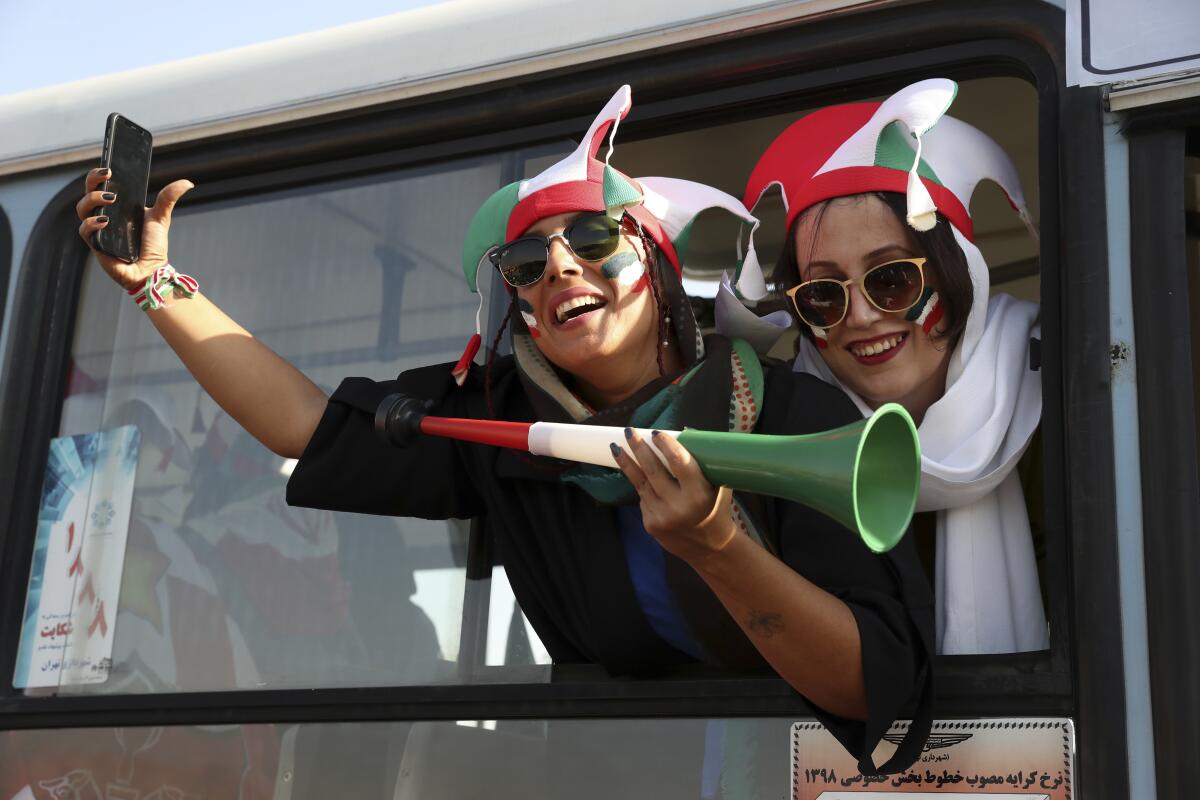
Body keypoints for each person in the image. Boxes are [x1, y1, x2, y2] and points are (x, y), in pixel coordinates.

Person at [75, 85, 933, 773]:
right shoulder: (495, 423)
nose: (561, 266)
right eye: (528, 264)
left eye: (594, 238)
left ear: (659, 272)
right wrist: (157, 285)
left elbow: (868, 688)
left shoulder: (792, 418)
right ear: (520, 304)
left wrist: (717, 545)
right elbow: (305, 425)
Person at [717, 78, 1045, 655]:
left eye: (892, 278)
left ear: (955, 273)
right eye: (824, 294)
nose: (863, 317)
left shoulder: (1070, 401)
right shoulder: (778, 450)